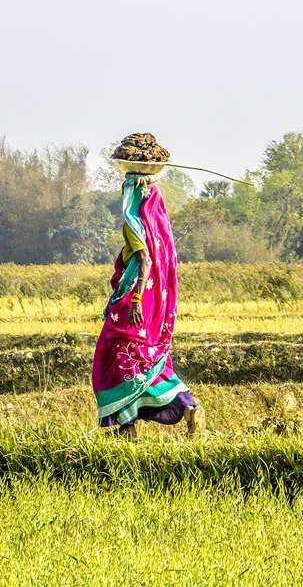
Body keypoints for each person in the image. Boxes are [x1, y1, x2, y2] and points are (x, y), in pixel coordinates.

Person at [92, 167, 204, 442]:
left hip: (134, 302)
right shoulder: (155, 227)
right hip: (153, 308)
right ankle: (185, 408)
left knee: (118, 360)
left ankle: (129, 425)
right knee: (144, 359)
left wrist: (137, 299)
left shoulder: (135, 226)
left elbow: (144, 261)